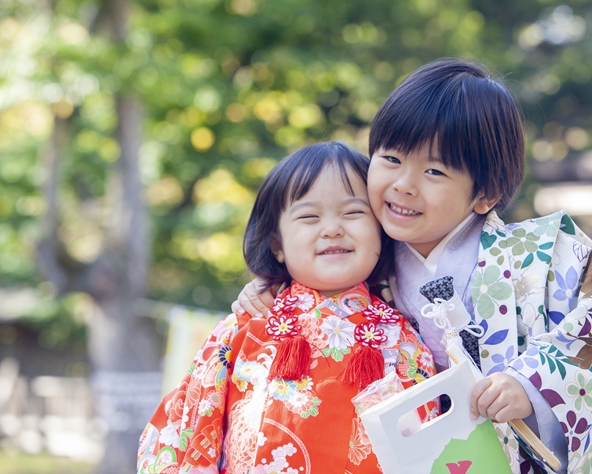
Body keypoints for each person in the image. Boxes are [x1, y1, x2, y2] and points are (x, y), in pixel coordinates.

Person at [232, 60, 592, 474]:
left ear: (484, 194)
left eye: (435, 172)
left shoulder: (547, 253)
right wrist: (274, 288)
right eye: (390, 159)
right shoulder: (370, 261)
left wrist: (531, 386)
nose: (403, 185)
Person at [138, 142, 437, 474]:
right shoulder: (243, 327)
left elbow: (430, 450)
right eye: (309, 216)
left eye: (353, 213)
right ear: (277, 244)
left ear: (381, 230)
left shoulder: (404, 339)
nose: (333, 228)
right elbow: (189, 425)